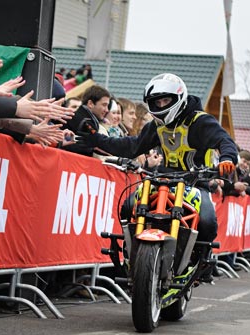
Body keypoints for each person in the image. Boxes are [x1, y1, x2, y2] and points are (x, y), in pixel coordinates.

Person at [77, 73, 238, 249]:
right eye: (157, 102)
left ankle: (202, 268)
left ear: (178, 98)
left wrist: (227, 159)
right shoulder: (156, 126)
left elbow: (224, 140)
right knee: (128, 206)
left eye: (165, 101)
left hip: (196, 182)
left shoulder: (200, 121)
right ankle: (130, 252)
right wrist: (95, 138)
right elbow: (132, 146)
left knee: (207, 221)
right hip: (163, 180)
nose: (161, 106)